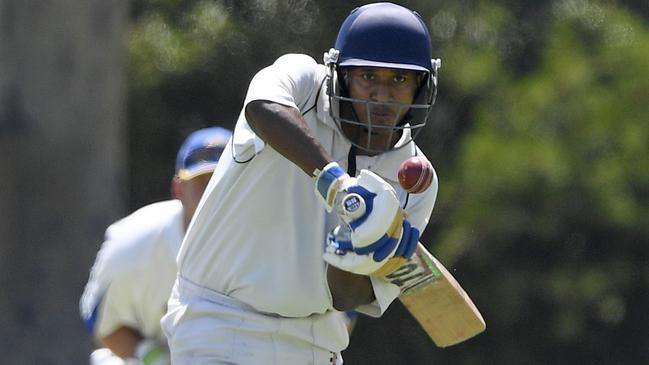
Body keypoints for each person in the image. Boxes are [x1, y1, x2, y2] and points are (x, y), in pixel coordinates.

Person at [161, 3, 441, 364]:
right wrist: (337, 185)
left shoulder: (415, 182)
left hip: (314, 341)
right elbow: (263, 109)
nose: (382, 96)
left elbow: (345, 297)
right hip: (217, 322)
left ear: (422, 85)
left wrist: (355, 250)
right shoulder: (303, 83)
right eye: (368, 76)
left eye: (399, 80)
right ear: (339, 73)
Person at [79, 127, 233, 365]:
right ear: (179, 189)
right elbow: (103, 324)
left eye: (224, 181)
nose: (213, 194)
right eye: (203, 182)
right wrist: (153, 357)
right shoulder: (132, 243)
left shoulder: (278, 241)